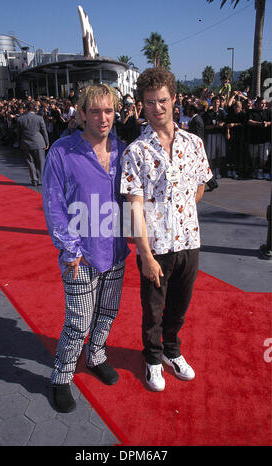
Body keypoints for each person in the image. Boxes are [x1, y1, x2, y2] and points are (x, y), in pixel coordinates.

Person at [121, 68, 212, 392]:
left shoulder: (194, 143)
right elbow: (133, 206)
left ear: (174, 100)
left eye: (162, 100)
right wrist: (144, 254)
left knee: (180, 306)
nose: (157, 108)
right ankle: (153, 359)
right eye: (150, 102)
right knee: (154, 310)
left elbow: (200, 187)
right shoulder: (135, 151)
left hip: (190, 240)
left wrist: (177, 207)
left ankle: (173, 351)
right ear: (141, 106)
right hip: (156, 246)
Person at [42, 83, 130, 412]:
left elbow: (132, 201)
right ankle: (62, 376)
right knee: (78, 321)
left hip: (116, 250)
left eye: (109, 110)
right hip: (78, 254)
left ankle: (95, 356)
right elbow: (53, 204)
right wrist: (69, 249)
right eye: (95, 110)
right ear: (81, 114)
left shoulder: (123, 151)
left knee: (107, 313)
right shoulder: (62, 152)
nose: (103, 117)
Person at [17, 101, 49, 185]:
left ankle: (34, 179)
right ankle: (41, 179)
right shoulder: (39, 118)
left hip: (26, 143)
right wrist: (47, 142)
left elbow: (19, 133)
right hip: (38, 142)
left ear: (26, 109)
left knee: (30, 162)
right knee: (41, 162)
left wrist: (19, 143)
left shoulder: (20, 119)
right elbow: (44, 131)